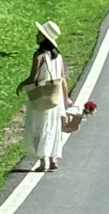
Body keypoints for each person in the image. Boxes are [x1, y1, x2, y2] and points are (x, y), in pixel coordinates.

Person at [17, 21, 71, 171]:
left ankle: (43, 159)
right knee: (52, 127)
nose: (36, 35)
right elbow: (62, 79)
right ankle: (53, 157)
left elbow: (33, 78)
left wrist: (21, 84)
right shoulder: (57, 57)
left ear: (44, 38)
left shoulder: (39, 55)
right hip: (55, 97)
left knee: (38, 127)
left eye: (39, 34)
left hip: (42, 97)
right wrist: (66, 98)